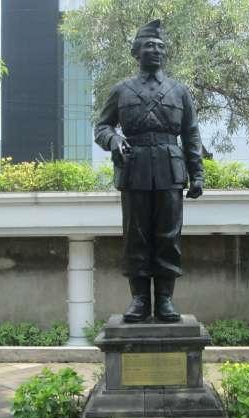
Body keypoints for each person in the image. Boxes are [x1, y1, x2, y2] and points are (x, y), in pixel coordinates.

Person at [94, 19, 204, 323]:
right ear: (136, 51)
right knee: (136, 236)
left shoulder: (179, 91)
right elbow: (101, 127)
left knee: (168, 235)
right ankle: (140, 299)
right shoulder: (121, 91)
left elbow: (191, 134)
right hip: (134, 169)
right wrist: (114, 139)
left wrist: (197, 174)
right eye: (149, 46)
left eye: (160, 46)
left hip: (170, 170)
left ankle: (165, 299)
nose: (155, 50)